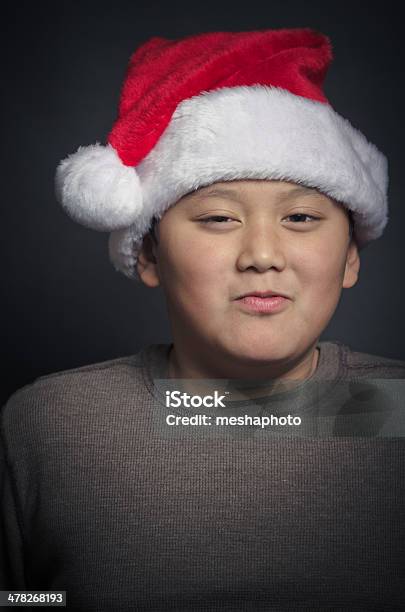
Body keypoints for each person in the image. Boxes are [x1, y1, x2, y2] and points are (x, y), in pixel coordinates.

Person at [1, 28, 404, 611]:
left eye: (299, 217)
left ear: (349, 257)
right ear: (148, 253)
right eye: (217, 218)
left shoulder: (394, 409)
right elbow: (22, 599)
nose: (262, 254)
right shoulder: (51, 424)